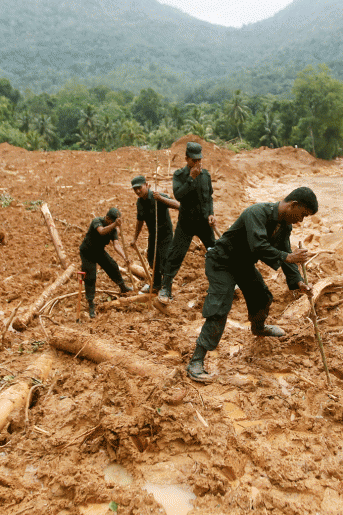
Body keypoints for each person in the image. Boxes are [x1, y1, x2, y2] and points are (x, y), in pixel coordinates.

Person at [186, 187, 318, 384]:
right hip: (221, 261)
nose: (301, 220)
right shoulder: (256, 213)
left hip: (242, 264)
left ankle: (259, 327)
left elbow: (284, 254)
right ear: (293, 205)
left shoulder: (284, 226)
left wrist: (298, 282)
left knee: (261, 296)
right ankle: (196, 360)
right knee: (220, 305)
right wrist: (289, 257)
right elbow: (259, 246)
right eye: (303, 214)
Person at [160, 141, 217, 302]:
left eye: (199, 160)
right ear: (187, 159)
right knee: (175, 254)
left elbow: (209, 197)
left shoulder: (206, 175)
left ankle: (221, 284)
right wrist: (191, 178)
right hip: (186, 223)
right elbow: (179, 195)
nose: (197, 163)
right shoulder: (179, 176)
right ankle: (166, 288)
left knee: (214, 252)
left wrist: (211, 214)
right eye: (194, 160)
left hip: (204, 223)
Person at [130, 175, 179, 298]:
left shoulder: (157, 196)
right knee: (152, 258)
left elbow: (177, 205)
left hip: (166, 235)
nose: (137, 191)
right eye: (135, 189)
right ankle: (156, 285)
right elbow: (139, 221)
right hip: (153, 235)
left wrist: (161, 199)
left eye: (139, 188)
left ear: (147, 185)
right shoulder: (140, 202)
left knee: (164, 261)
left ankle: (167, 290)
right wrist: (134, 238)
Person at [79, 207, 132, 318]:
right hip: (87, 252)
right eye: (113, 222)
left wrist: (124, 257)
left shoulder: (113, 229)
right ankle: (90, 303)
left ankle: (122, 287)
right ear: (107, 218)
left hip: (99, 251)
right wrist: (114, 225)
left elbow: (116, 244)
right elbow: (102, 231)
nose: (115, 224)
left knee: (112, 266)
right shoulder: (97, 221)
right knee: (90, 276)